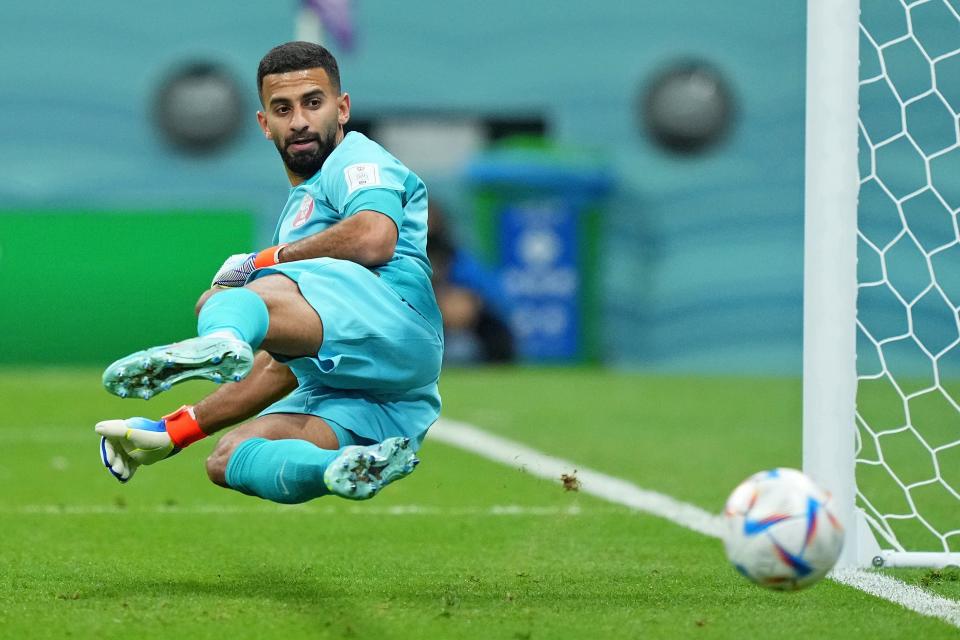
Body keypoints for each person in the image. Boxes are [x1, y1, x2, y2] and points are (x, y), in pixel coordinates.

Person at [95, 42, 443, 503]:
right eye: (282, 108)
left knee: (230, 297)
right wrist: (173, 430)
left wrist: (263, 261)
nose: (298, 120)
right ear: (264, 123)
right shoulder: (300, 208)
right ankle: (346, 467)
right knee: (228, 458)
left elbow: (374, 237)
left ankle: (225, 336)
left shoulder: (357, 162)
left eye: (312, 103)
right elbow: (280, 370)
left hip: (394, 319)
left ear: (342, 109)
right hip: (373, 390)